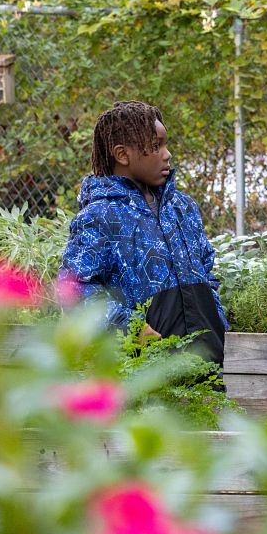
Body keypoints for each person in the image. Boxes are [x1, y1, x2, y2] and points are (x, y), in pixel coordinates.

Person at [60, 100, 227, 365]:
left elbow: (206, 268)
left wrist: (214, 316)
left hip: (205, 360)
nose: (167, 154)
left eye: (165, 144)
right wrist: (130, 329)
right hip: (143, 372)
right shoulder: (100, 217)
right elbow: (73, 289)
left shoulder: (183, 208)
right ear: (122, 155)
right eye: (155, 146)